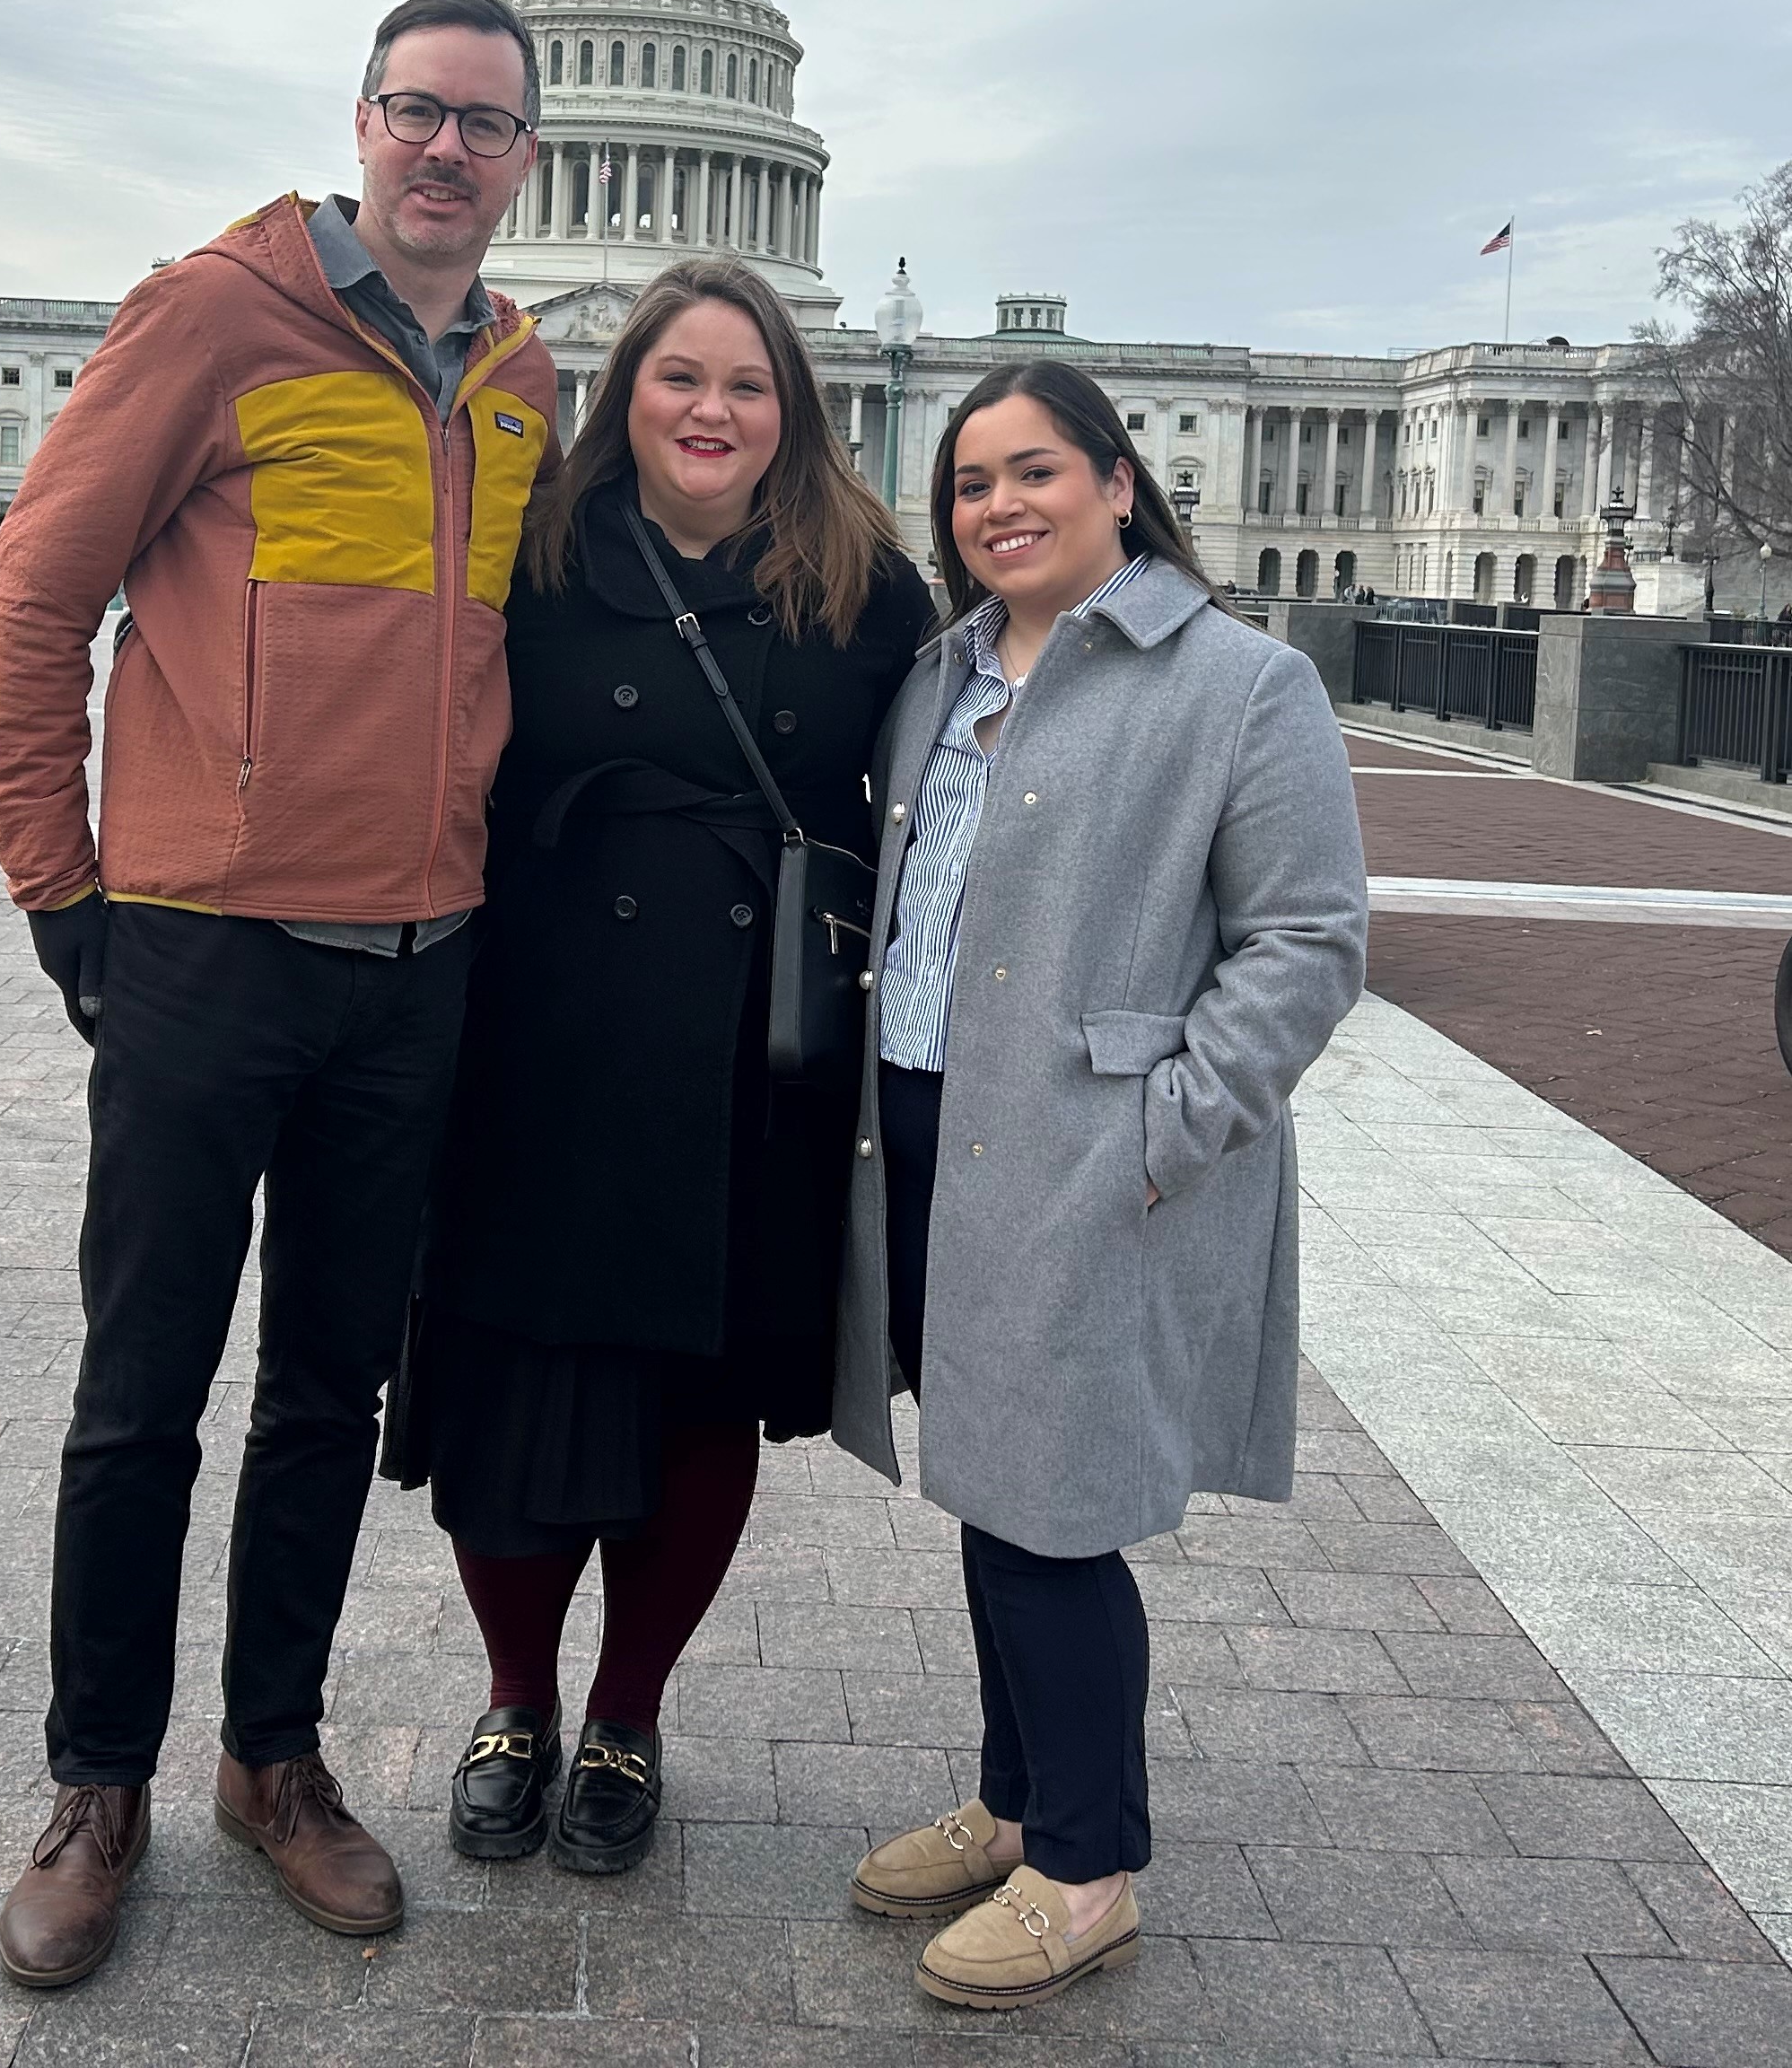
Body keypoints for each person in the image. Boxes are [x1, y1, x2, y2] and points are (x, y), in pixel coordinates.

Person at [0, 0, 558, 1985]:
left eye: (484, 123)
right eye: (417, 110)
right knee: (141, 1387)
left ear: (528, 159)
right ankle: (96, 1784)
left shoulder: (523, 379)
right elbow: (39, 592)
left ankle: (271, 1756)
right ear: (362, 120)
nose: (445, 150)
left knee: (328, 1388)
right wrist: (60, 885)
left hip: (416, 963)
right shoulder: (214, 316)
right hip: (205, 949)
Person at [829, 360, 1367, 2013]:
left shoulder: (1238, 681)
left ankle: (1086, 1868)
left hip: (1085, 1152)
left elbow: (1306, 939)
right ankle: (1016, 1801)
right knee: (991, 1482)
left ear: (1118, 482)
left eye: (1035, 469)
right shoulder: (939, 673)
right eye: (970, 482)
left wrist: (1165, 1131)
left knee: (1049, 1510)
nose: (998, 505)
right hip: (928, 1128)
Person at [403, 259, 930, 1877]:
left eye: (746, 383)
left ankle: (626, 1709)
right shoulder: (532, 548)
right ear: (621, 390)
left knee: (702, 1395)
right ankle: (515, 1697)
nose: (711, 410)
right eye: (679, 377)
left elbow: (945, 794)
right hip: (539, 1026)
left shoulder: (866, 584)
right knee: (510, 1384)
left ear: (793, 407)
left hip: (748, 1048)